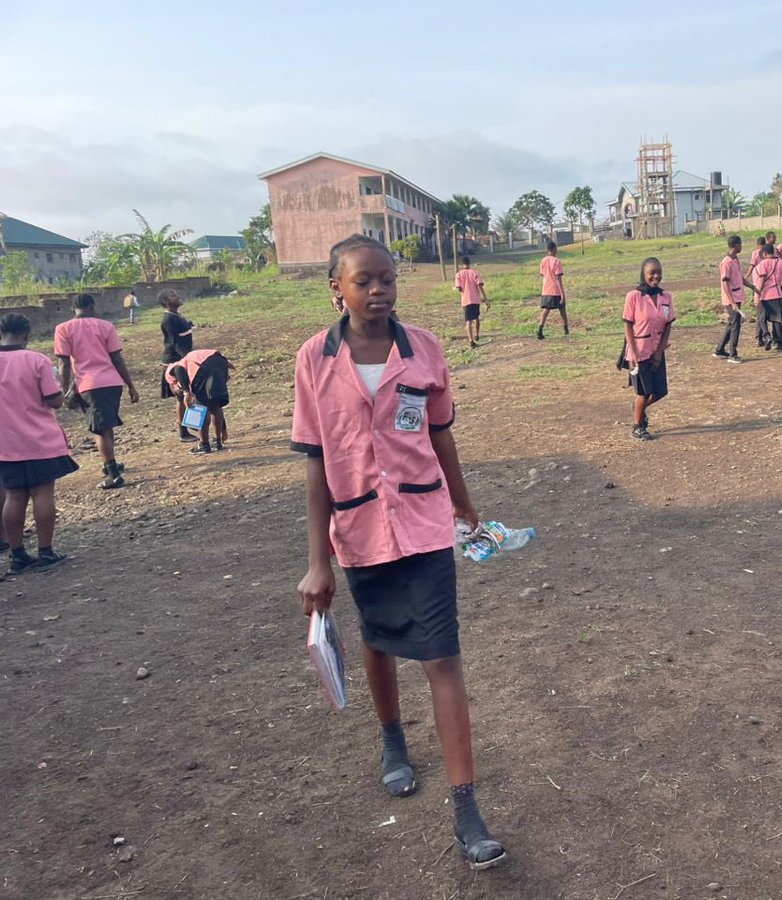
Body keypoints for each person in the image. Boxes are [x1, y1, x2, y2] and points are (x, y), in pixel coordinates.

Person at [292, 234, 506, 871]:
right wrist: (317, 560)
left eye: (387, 278)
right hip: (358, 531)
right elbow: (315, 466)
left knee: (443, 656)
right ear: (338, 288)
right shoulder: (313, 360)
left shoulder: (425, 351)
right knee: (380, 640)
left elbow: (441, 438)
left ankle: (467, 807)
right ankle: (393, 743)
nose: (378, 289)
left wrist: (464, 503)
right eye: (364, 281)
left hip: (424, 523)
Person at [0, 313, 77, 574]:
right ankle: (46, 551)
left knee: (13, 495)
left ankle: (18, 555)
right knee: (42, 493)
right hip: (39, 440)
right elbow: (54, 400)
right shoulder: (36, 360)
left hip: (6, 443)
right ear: (27, 335)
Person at [54, 294, 139, 489]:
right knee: (106, 425)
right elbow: (117, 358)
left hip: (89, 385)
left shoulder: (63, 329)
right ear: (93, 306)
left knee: (100, 430)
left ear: (73, 308)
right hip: (112, 383)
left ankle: (113, 474)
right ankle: (110, 463)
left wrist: (65, 388)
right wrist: (131, 386)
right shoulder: (105, 326)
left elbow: (64, 363)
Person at [622, 257, 674, 440]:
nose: (656, 276)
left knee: (660, 391)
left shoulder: (665, 296)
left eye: (659, 272)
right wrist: (634, 353)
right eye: (652, 272)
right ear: (644, 274)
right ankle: (637, 426)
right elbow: (627, 325)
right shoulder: (634, 296)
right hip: (639, 350)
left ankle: (638, 407)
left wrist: (659, 351)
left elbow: (668, 325)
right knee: (643, 392)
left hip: (656, 350)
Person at [166, 349, 234, 453]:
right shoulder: (189, 361)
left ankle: (204, 445)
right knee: (215, 404)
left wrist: (186, 392)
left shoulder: (172, 369)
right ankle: (217, 441)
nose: (176, 392)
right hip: (219, 362)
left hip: (204, 367)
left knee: (201, 406)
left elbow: (178, 370)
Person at [159, 289, 196, 442]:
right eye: (173, 296)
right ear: (167, 302)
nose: (178, 296)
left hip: (181, 359)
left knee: (185, 396)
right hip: (175, 361)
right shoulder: (168, 320)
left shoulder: (176, 317)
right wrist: (189, 359)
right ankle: (184, 431)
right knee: (181, 396)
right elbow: (175, 344)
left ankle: (190, 427)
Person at [713, 235, 747, 363]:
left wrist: (752, 287)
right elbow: (725, 283)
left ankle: (720, 349)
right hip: (730, 299)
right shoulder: (726, 262)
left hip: (737, 296)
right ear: (736, 245)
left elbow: (740, 278)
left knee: (731, 324)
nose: (741, 247)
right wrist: (732, 302)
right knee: (735, 325)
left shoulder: (735, 260)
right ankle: (733, 354)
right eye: (740, 244)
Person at [752, 243, 782, 352]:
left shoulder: (762, 265)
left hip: (765, 295)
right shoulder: (781, 263)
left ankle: (766, 335)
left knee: (762, 318)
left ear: (764, 253)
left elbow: (761, 281)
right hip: (777, 294)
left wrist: (757, 295)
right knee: (777, 320)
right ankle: (780, 345)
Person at [453, 257, 489, 348]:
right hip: (475, 299)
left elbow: (459, 288)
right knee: (476, 318)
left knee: (468, 321)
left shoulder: (458, 275)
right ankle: (477, 335)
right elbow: (480, 286)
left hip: (466, 300)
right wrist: (485, 299)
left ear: (462, 264)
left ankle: (471, 341)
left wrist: (457, 289)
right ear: (469, 263)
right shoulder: (475, 273)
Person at [536, 242, 568, 340]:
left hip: (546, 289)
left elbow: (542, 274)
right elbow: (558, 278)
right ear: (554, 249)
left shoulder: (543, 261)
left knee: (546, 310)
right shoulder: (556, 261)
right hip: (555, 289)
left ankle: (540, 329)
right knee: (562, 309)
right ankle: (566, 329)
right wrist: (562, 294)